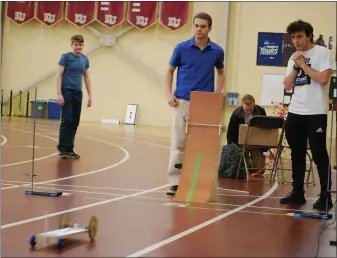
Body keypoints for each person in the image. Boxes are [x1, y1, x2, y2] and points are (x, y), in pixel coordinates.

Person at [164, 12, 225, 195]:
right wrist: (168, 94)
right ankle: (175, 182)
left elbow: (221, 73)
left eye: (203, 26)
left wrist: (216, 94)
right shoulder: (181, 48)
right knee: (178, 144)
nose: (199, 29)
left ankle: (199, 181)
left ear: (210, 28)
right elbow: (169, 71)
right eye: (196, 25)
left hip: (205, 104)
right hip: (182, 102)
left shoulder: (217, 51)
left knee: (202, 145)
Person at [280, 20, 336, 210]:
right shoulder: (293, 58)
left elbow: (323, 78)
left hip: (316, 112)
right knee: (296, 153)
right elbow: (287, 86)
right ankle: (297, 193)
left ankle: (325, 196)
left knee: (320, 154)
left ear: (309, 35)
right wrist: (296, 67)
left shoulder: (323, 53)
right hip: (296, 111)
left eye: (300, 36)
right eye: (293, 37)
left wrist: (303, 65)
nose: (296, 41)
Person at [56, 35, 92, 159]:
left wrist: (90, 95)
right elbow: (59, 75)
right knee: (67, 120)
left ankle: (69, 149)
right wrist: (59, 94)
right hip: (67, 91)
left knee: (75, 122)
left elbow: (86, 77)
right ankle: (62, 148)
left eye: (80, 45)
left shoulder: (85, 59)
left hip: (78, 92)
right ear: (72, 45)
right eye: (76, 45)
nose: (78, 47)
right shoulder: (66, 57)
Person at [226, 94, 267, 172]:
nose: (248, 112)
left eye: (251, 110)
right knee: (241, 170)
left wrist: (261, 147)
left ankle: (251, 163)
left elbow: (264, 131)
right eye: (246, 110)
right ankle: (247, 164)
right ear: (242, 106)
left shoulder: (261, 111)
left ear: (254, 105)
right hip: (240, 144)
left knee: (259, 170)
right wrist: (235, 148)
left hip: (256, 143)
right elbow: (231, 134)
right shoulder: (236, 114)